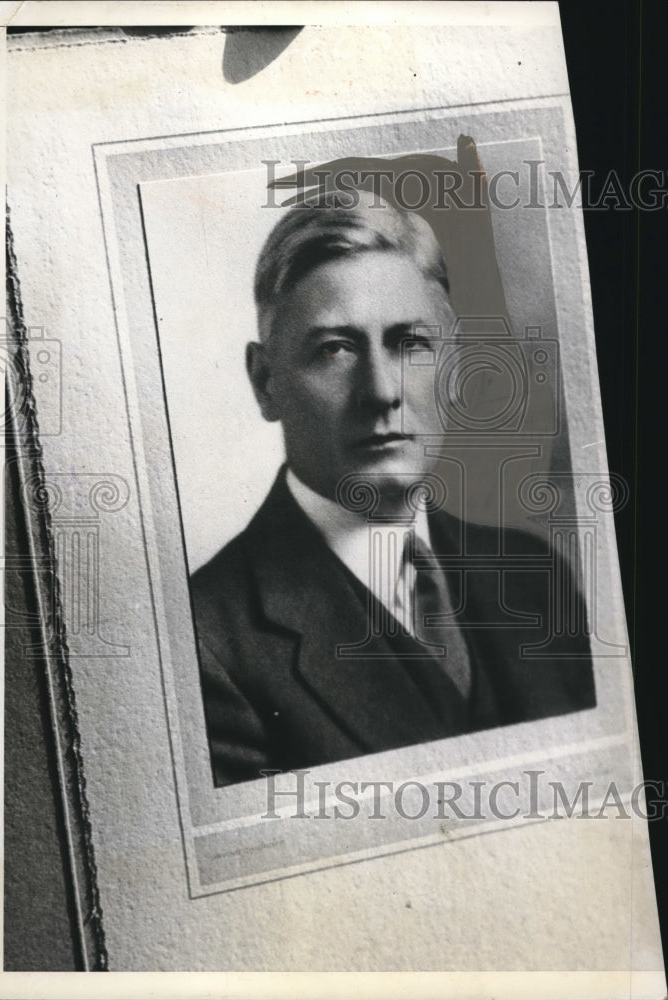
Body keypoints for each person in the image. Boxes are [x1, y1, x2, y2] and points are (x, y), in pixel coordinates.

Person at [190, 191, 595, 788]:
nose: (381, 391)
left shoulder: (537, 576)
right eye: (335, 349)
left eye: (410, 343)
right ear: (265, 382)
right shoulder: (208, 645)